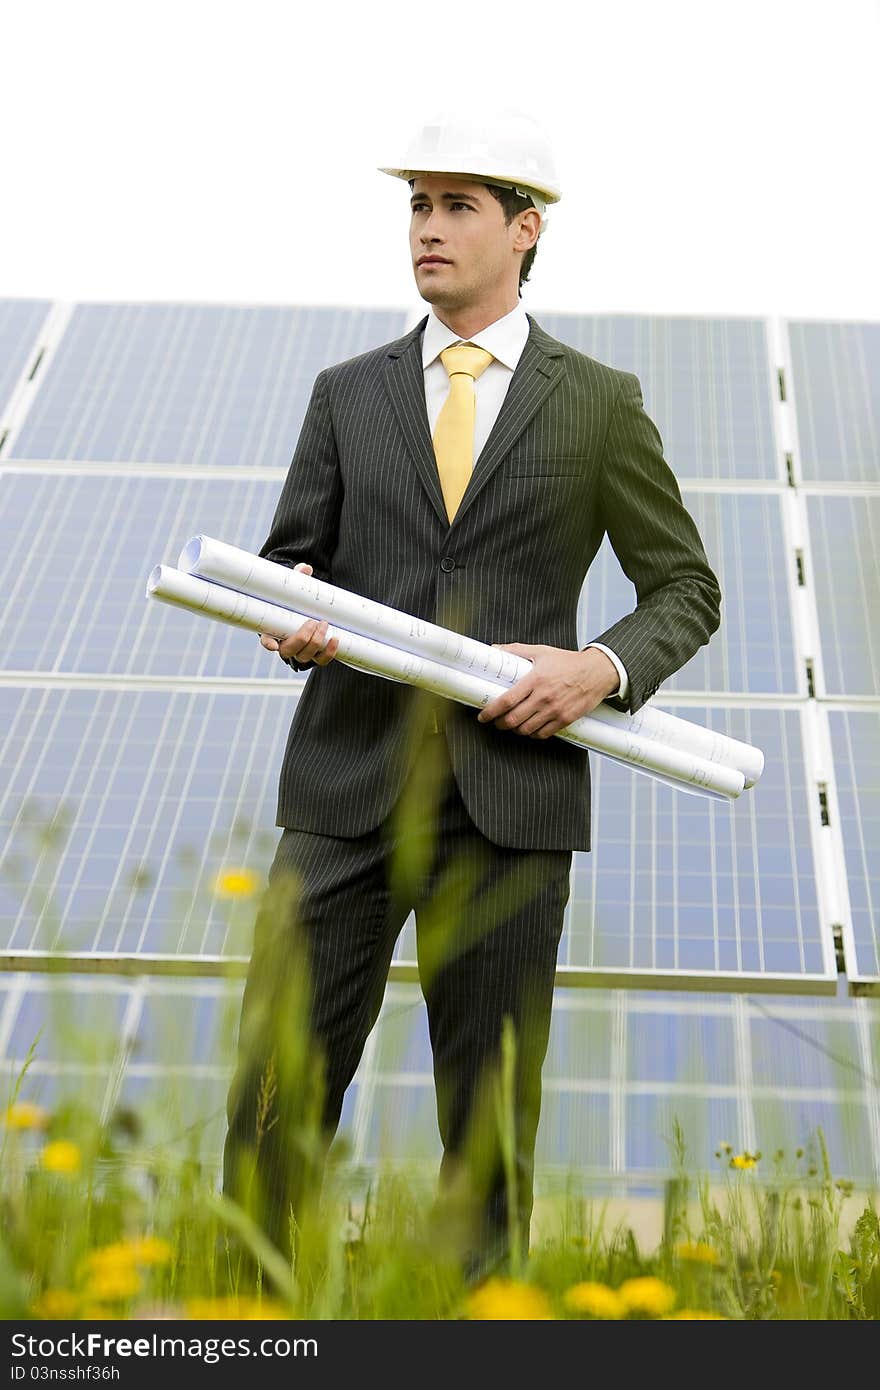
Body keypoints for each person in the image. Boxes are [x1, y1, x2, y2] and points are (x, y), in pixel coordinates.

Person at [222, 110, 722, 1287]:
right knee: (268, 1100)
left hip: (511, 805)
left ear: (524, 228)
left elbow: (684, 588)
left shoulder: (597, 399)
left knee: (487, 1136)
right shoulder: (347, 393)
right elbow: (294, 562)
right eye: (416, 206)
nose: (427, 229)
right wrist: (288, 614)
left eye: (456, 206)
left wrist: (595, 667)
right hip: (343, 793)